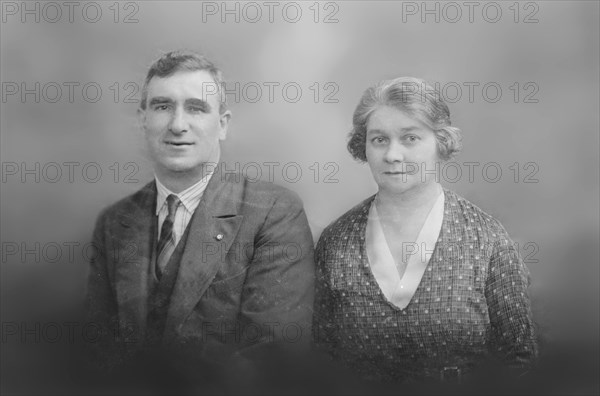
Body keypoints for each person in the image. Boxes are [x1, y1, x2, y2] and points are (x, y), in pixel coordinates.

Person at [84, 50, 315, 391]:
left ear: (222, 125)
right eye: (163, 106)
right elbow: (97, 352)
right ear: (143, 119)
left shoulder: (273, 211)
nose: (178, 125)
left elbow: (273, 358)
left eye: (196, 108)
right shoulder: (115, 222)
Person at [313, 77, 537, 387]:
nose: (393, 154)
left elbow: (518, 361)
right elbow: (319, 362)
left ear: (440, 143)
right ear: (363, 147)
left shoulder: (486, 239)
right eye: (379, 139)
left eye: (410, 138)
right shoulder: (336, 242)